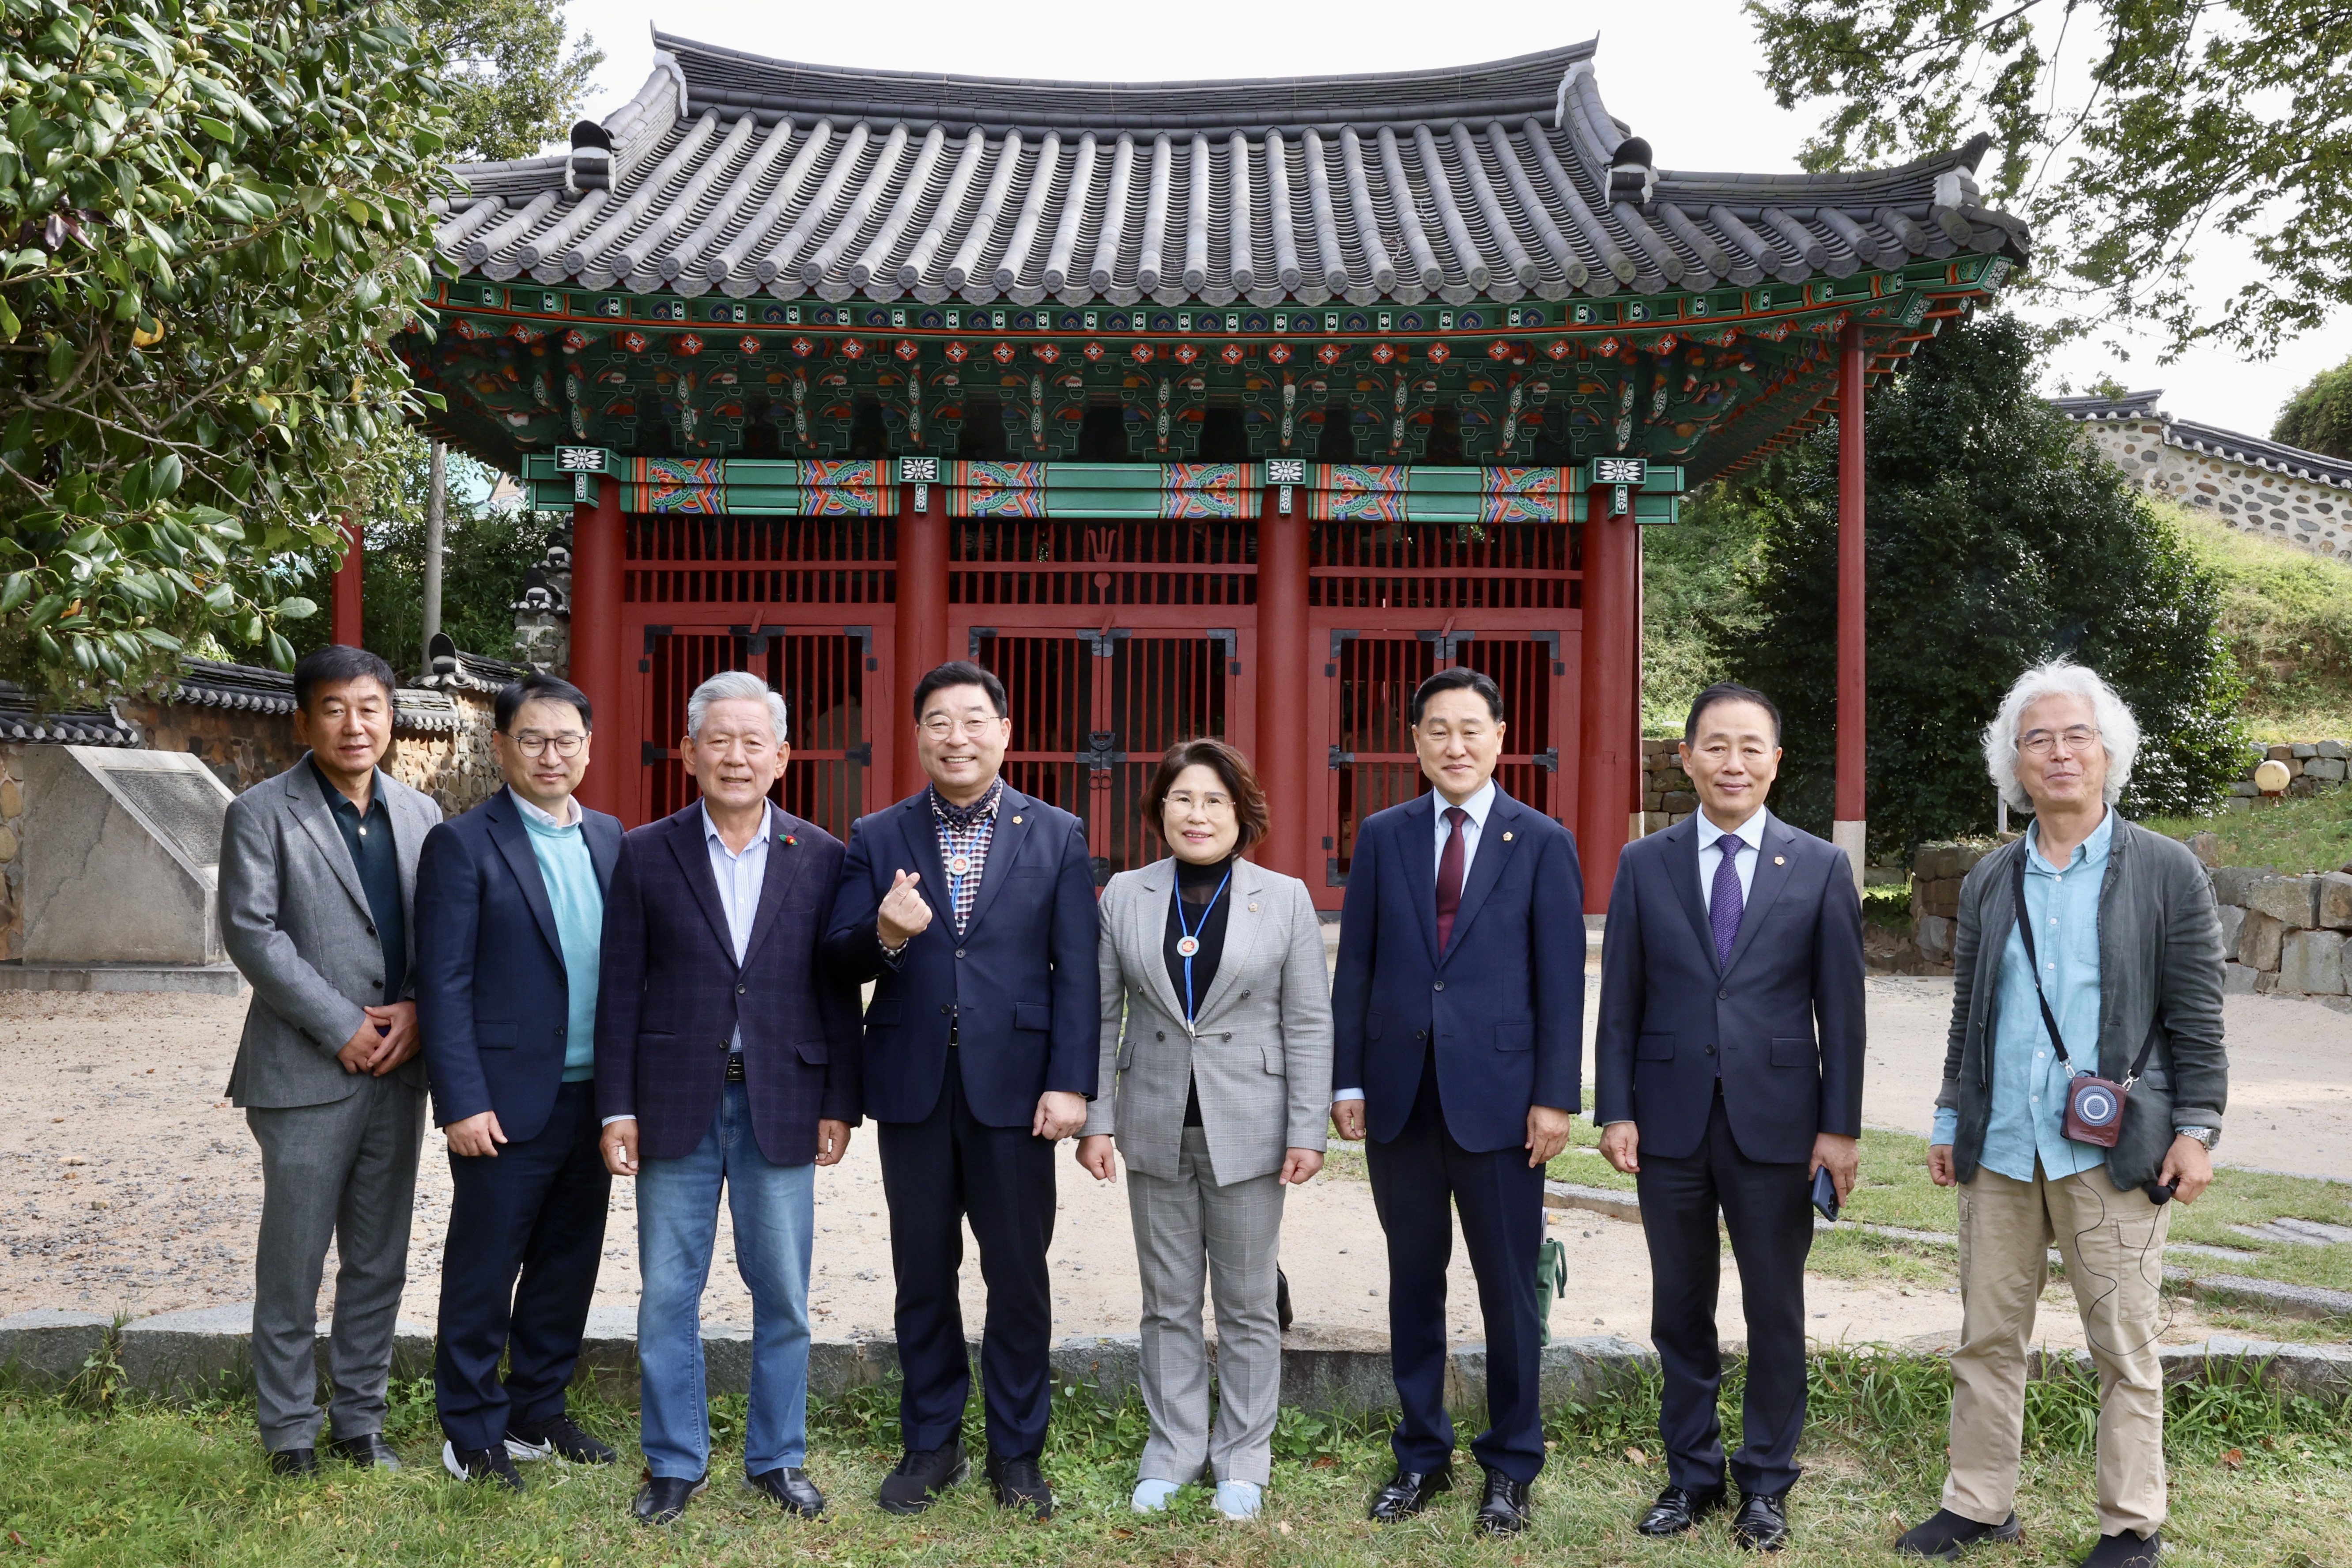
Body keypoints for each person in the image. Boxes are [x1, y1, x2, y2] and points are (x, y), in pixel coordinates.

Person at [1896, 663, 2226, 1568]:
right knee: (1987, 1336)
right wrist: (1944, 1116)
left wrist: (2198, 1129)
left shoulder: (2166, 871)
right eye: (2036, 738)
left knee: (2123, 1344)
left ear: (2110, 751)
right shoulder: (1991, 880)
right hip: (2000, 1147)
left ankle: (2130, 1524)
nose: (2058, 752)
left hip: (2113, 1152)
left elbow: (2198, 1017)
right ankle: (1978, 1503)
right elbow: (1971, 1016)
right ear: (2015, 764)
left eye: (2076, 734)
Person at [1593, 682, 1866, 1553]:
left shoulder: (1819, 866)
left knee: (1774, 1307)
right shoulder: (1645, 863)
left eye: (1751, 747)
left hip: (1779, 1125)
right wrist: (1616, 1109)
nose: (1733, 763)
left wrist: (1839, 1129)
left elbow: (1844, 1014)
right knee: (1680, 1306)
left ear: (1776, 762)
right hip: (1668, 1122)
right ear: (1686, 759)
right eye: (1715, 746)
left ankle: (1767, 1483)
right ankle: (1691, 1476)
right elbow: (1622, 1003)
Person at [824, 660, 1099, 1519]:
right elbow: (834, 957)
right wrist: (885, 932)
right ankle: (932, 1443)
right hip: (912, 1085)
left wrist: (1071, 1085)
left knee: (1018, 1275)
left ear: (1004, 732)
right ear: (918, 736)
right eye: (939, 722)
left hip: (1018, 1094)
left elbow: (1079, 976)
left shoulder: (1055, 833)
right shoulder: (877, 834)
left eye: (974, 720)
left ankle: (1017, 1455)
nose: (957, 737)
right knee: (923, 1272)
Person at [595, 671, 863, 1526]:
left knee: (781, 1289)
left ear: (783, 757)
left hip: (781, 1100)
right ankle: (674, 1463)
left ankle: (777, 1458)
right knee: (668, 1291)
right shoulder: (644, 852)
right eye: (720, 740)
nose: (737, 757)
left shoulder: (822, 857)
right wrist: (616, 1108)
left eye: (756, 743)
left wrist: (840, 1101)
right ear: (689, 752)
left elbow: (835, 992)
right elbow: (620, 991)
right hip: (674, 1100)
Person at [1329, 665, 1585, 1537]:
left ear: (1501, 738)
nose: (1455, 745)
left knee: (1510, 1291)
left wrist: (1555, 1097)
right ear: (1415, 743)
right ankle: (1420, 1456)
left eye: (1471, 728)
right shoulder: (1385, 836)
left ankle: (1511, 1466)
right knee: (1413, 1283)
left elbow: (1562, 983)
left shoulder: (1541, 841)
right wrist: (1348, 1078)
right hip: (1400, 1100)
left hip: (1505, 1106)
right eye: (1437, 729)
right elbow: (1356, 966)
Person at [1076, 738, 1334, 1522]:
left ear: (1240, 812)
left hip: (1251, 1125)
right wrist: (1095, 1119)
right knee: (1167, 1301)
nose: (1198, 814)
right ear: (1158, 811)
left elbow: (1309, 1022)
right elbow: (1101, 1013)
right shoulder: (1123, 893)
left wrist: (1307, 1128)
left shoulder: (1283, 897)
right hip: (1154, 1117)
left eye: (1214, 801)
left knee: (1250, 1303)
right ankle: (1174, 1448)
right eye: (1183, 799)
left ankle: (1243, 1459)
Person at [219, 644, 444, 1475]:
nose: (356, 725)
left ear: (392, 716)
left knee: (379, 1257)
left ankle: (360, 1423)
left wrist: (419, 1010)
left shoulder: (421, 814)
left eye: (371, 708)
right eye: (335, 709)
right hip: (306, 1070)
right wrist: (340, 1023)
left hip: (399, 1066)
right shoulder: (261, 812)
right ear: (304, 719)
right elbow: (253, 934)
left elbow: (441, 931)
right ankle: (287, 1434)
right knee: (295, 1259)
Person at [415, 673, 623, 1489]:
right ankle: (470, 1430)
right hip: (501, 1103)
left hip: (593, 1097)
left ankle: (538, 1410)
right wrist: (461, 1101)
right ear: (500, 746)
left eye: (566, 739)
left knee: (568, 1262)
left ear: (588, 747)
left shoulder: (610, 837)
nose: (550, 754)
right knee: (484, 1266)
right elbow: (444, 983)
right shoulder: (464, 843)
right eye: (532, 739)